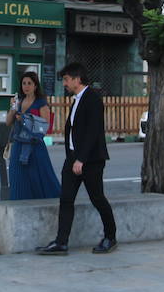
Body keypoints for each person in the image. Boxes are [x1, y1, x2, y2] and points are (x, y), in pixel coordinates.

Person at [35, 62, 117, 255]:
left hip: (90, 160)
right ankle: (61, 242)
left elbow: (93, 133)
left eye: (66, 79)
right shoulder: (76, 99)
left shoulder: (93, 99)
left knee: (97, 198)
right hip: (73, 158)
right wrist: (72, 158)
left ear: (77, 79)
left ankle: (110, 237)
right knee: (66, 199)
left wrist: (81, 159)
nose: (64, 83)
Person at [4, 70, 61, 200]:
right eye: (24, 83)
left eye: (30, 83)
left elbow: (45, 126)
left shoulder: (41, 103)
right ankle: (18, 204)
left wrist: (25, 119)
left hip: (35, 146)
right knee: (17, 177)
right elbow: (8, 122)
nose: (26, 86)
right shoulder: (18, 101)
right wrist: (13, 108)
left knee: (39, 177)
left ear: (35, 86)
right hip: (18, 144)